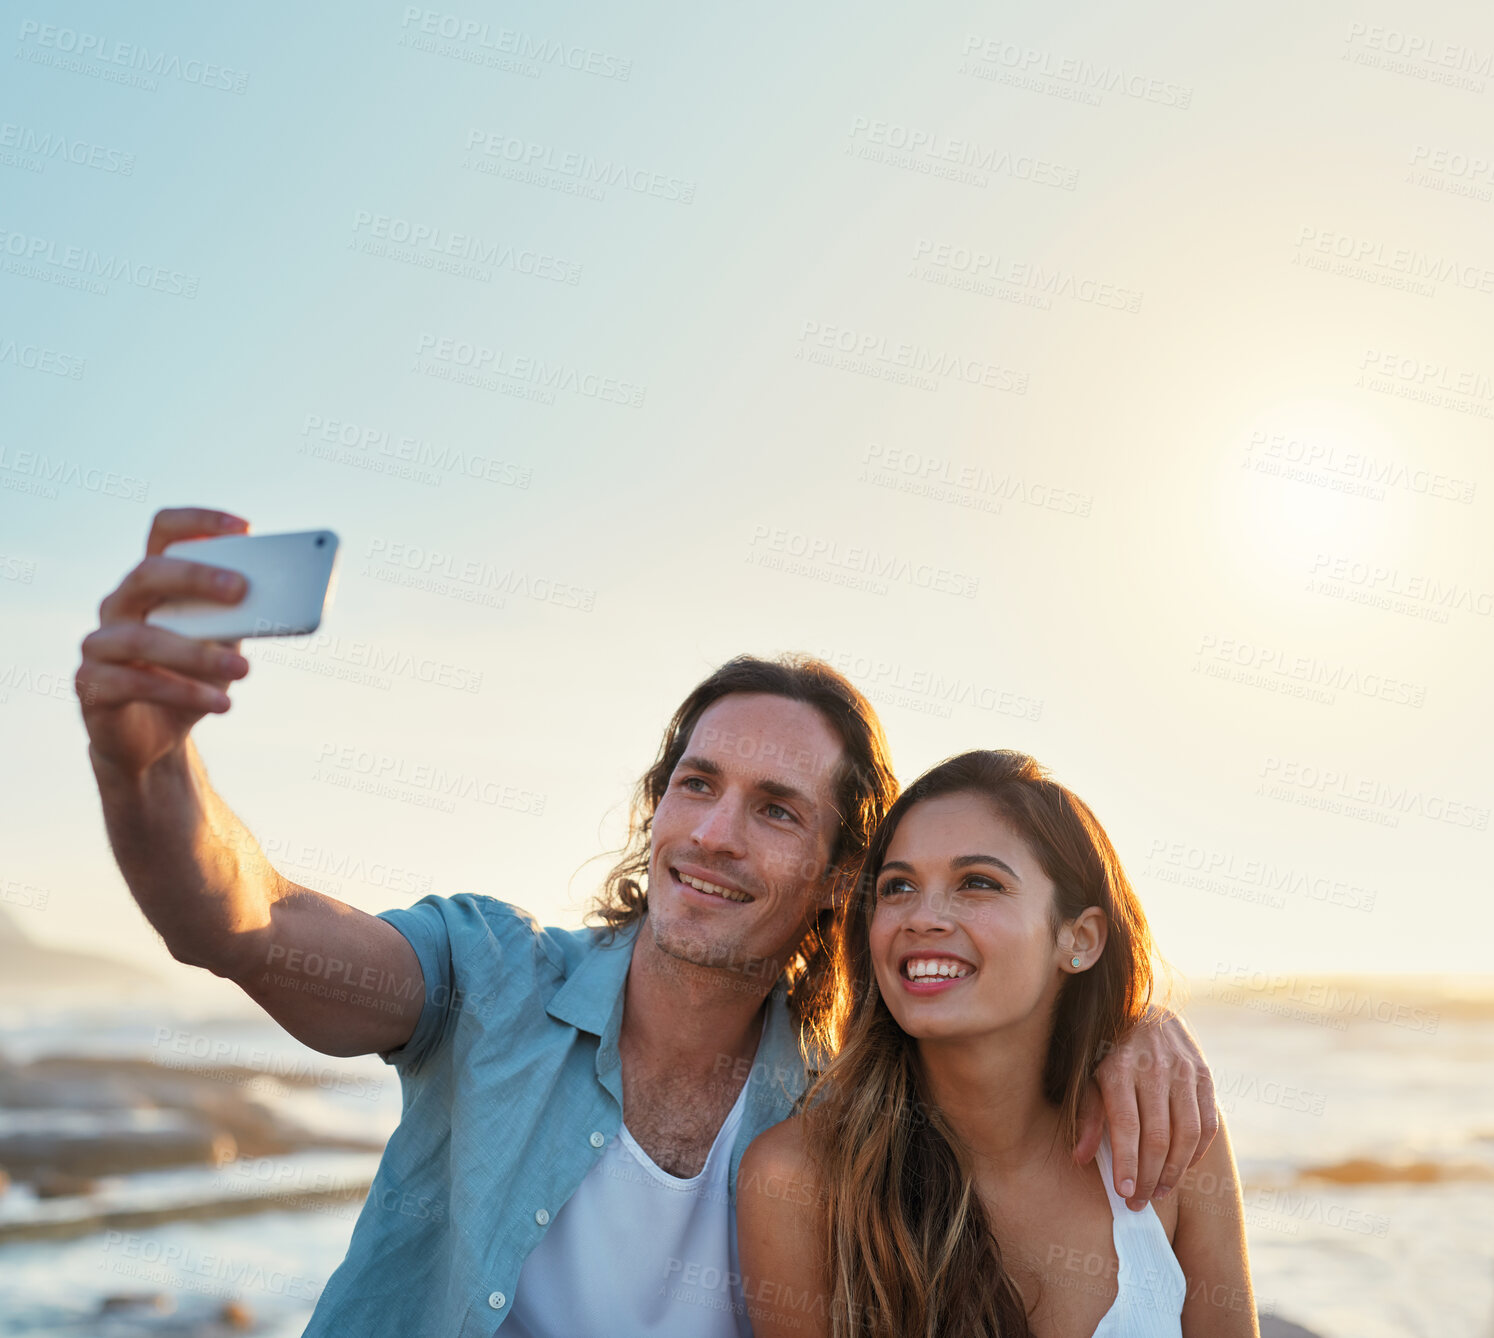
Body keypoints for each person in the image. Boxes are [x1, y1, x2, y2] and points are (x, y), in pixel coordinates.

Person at [76, 507, 1221, 1336]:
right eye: (697, 784)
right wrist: (147, 769)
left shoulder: (847, 1124)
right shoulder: (488, 984)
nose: (716, 833)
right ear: (657, 807)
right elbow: (250, 922)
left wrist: (1128, 1020)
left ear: (837, 879)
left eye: (776, 810)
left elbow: (1001, 1042)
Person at [737, 750, 1256, 1338]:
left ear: (1078, 938)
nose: (923, 917)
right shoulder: (799, 1180)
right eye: (898, 886)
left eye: (978, 883)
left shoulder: (1166, 1138)